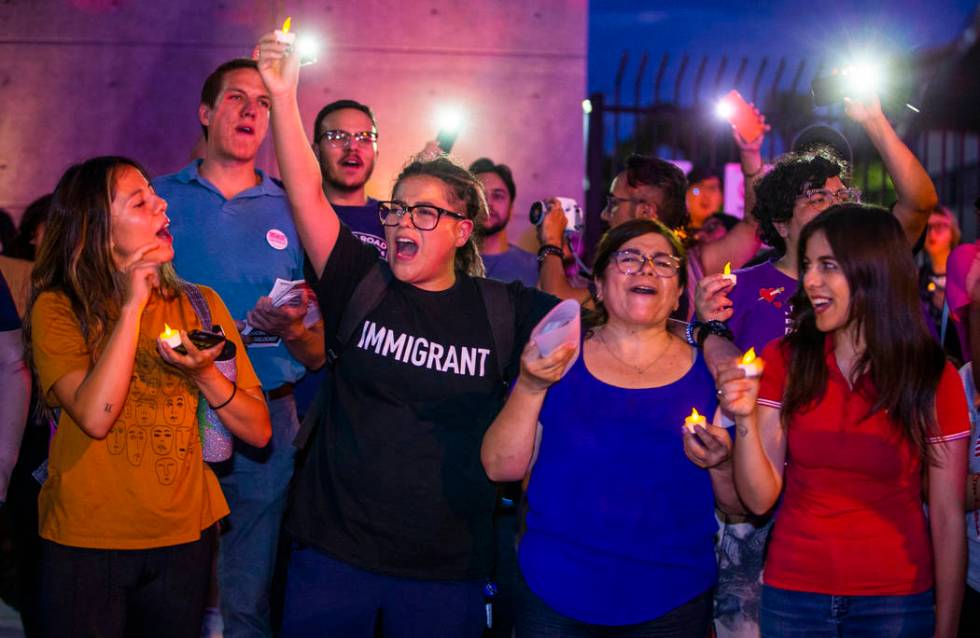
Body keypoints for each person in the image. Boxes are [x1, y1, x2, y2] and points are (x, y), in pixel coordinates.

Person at [255, 35, 558, 637]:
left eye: (425, 212)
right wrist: (284, 95)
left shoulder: (502, 308)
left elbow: (582, 324)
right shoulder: (358, 284)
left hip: (446, 572)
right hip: (332, 557)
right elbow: (307, 193)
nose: (400, 223)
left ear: (461, 231)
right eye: (397, 209)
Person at [698, 96, 939, 638]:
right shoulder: (743, 288)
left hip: (852, 496)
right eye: (816, 197)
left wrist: (874, 118)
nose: (834, 204)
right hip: (757, 491)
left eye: (842, 194)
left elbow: (920, 201)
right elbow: (715, 367)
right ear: (782, 220)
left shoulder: (871, 273)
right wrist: (708, 329)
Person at [26, 156, 271, 637]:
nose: (162, 204)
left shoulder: (201, 304)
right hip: (86, 540)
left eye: (153, 196)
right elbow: (96, 416)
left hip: (184, 539)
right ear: (96, 228)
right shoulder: (60, 308)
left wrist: (206, 375)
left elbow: (259, 431)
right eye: (140, 201)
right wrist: (133, 304)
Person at [482, 218, 741, 636]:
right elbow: (500, 468)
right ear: (598, 286)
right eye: (629, 257)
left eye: (662, 261)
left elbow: (735, 506)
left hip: (670, 600)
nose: (646, 268)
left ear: (678, 293)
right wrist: (530, 384)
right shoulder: (556, 358)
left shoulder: (710, 376)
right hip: (555, 596)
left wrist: (722, 462)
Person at [720, 204, 967, 637]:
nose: (810, 280)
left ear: (873, 271)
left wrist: (947, 628)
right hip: (794, 594)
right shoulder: (785, 359)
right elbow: (759, 500)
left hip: (896, 601)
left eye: (828, 265)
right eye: (809, 265)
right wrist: (743, 422)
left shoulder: (930, 374)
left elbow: (947, 519)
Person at [152, 57, 326, 638]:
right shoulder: (156, 200)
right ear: (205, 112)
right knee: (164, 590)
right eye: (235, 98)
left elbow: (318, 352)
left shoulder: (294, 209)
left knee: (247, 600)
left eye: (263, 102)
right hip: (168, 408)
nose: (251, 110)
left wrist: (295, 326)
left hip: (266, 416)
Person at [311, 98, 386, 256]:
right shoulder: (293, 212)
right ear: (316, 151)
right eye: (338, 137)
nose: (352, 147)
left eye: (365, 138)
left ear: (376, 153)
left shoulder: (393, 222)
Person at [470, 157, 538, 288]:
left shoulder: (535, 267)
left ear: (511, 209)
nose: (487, 204)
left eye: (498, 196)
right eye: (479, 195)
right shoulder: (447, 262)